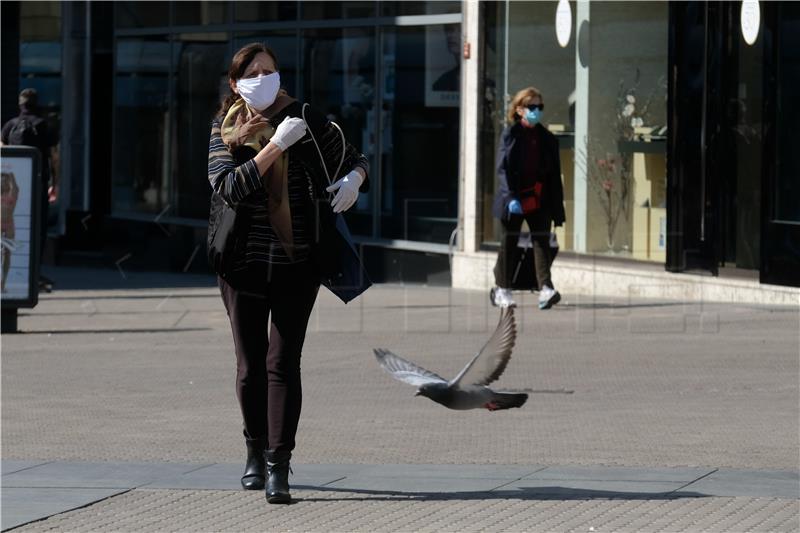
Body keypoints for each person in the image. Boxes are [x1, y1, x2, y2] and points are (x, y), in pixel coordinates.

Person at [208, 43, 369, 504]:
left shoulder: (307, 118)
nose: (265, 78)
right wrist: (277, 145)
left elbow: (355, 157)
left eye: (270, 71)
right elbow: (229, 187)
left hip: (297, 261)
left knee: (283, 363)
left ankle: (280, 464)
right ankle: (254, 451)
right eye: (253, 72)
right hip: (242, 264)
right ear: (236, 83)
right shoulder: (226, 129)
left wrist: (354, 181)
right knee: (249, 366)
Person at [492, 87, 566, 310]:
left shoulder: (547, 139)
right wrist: (510, 196)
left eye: (540, 107)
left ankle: (545, 288)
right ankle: (502, 289)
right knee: (509, 243)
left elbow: (554, 174)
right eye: (532, 107)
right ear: (519, 109)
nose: (536, 111)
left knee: (541, 241)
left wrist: (556, 207)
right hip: (514, 197)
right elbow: (502, 168)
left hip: (538, 197)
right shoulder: (510, 135)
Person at [0, 88, 59, 292]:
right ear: (36, 104)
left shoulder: (10, 125)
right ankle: (35, 269)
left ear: (20, 104)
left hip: (9, 193)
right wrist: (55, 182)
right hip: (38, 186)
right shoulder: (44, 126)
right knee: (38, 227)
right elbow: (54, 157)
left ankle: (10, 273)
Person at [1, 172, 20, 292]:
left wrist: (11, 176)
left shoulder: (11, 195)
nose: (2, 182)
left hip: (9, 226)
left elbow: (16, 188)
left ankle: (3, 284)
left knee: (7, 255)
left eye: (4, 180)